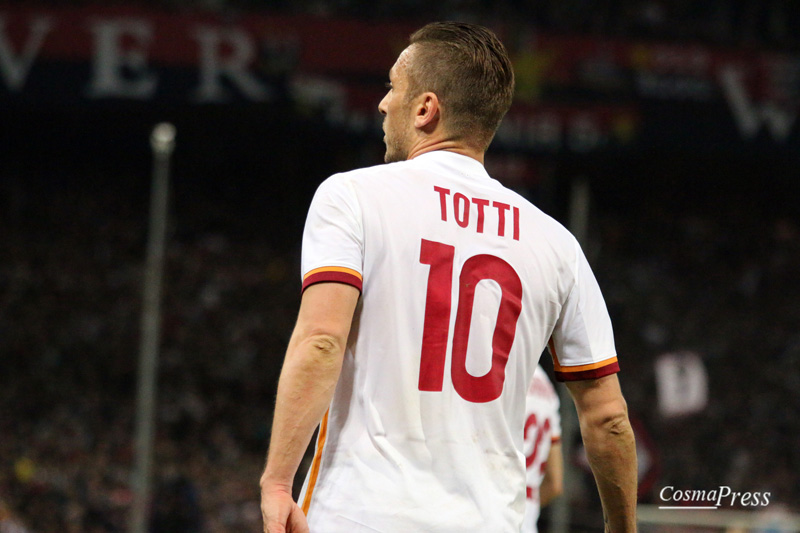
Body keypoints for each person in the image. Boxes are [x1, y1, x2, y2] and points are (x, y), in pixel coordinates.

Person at [259, 21, 638, 533]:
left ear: (425, 109)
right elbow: (608, 418)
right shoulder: (557, 245)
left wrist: (277, 481)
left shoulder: (352, 197)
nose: (382, 103)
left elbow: (323, 340)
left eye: (394, 86)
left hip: (359, 513)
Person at [522, 365, 564, 533]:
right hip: (527, 524)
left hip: (485, 518)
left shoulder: (494, 368)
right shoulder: (546, 386)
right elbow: (555, 483)